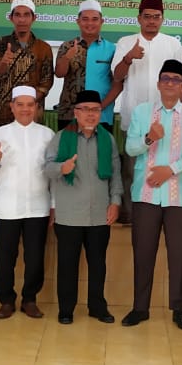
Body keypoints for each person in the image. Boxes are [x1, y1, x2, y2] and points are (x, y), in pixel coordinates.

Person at [121, 59, 182, 329]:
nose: (170, 83)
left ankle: (179, 309)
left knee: (179, 255)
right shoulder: (142, 112)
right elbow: (131, 148)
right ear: (158, 84)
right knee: (143, 253)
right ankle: (140, 308)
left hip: (180, 196)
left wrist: (169, 170)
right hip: (146, 195)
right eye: (166, 79)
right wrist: (149, 138)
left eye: (176, 80)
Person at [45, 90, 122, 324]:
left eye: (95, 110)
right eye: (86, 109)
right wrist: (62, 168)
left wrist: (115, 202)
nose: (91, 114)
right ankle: (66, 309)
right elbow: (46, 168)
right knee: (67, 265)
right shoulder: (61, 137)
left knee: (98, 265)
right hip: (69, 215)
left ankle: (97, 307)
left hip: (100, 214)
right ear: (76, 112)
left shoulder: (107, 139)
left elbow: (116, 173)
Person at [111, 0, 182, 223]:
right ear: (139, 18)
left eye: (156, 17)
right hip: (134, 116)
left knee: (166, 166)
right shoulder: (126, 42)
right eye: (147, 17)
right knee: (132, 169)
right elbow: (116, 76)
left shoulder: (172, 44)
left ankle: (161, 216)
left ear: (162, 19)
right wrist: (128, 58)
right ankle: (131, 214)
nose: (152, 21)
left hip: (167, 118)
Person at [0, 86, 54, 319]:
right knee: (5, 258)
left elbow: (52, 174)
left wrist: (53, 205)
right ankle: (6, 300)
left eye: (30, 105)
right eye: (20, 104)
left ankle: (30, 299)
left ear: (36, 108)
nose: (25, 109)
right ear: (11, 107)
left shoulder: (47, 134)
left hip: (38, 206)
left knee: (34, 257)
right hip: (7, 206)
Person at [54, 0, 121, 131]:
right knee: (69, 151)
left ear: (101, 22)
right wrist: (67, 56)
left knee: (101, 151)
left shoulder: (112, 49)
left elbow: (117, 84)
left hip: (101, 115)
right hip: (70, 113)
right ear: (78, 21)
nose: (90, 23)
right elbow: (59, 73)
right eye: (85, 19)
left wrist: (100, 107)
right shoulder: (67, 46)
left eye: (94, 19)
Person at [0, 0, 54, 126]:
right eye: (17, 15)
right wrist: (3, 64)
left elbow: (46, 83)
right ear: (11, 18)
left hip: (32, 113)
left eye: (26, 15)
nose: (22, 20)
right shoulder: (0, 43)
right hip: (5, 113)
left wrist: (26, 104)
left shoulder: (43, 48)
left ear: (34, 18)